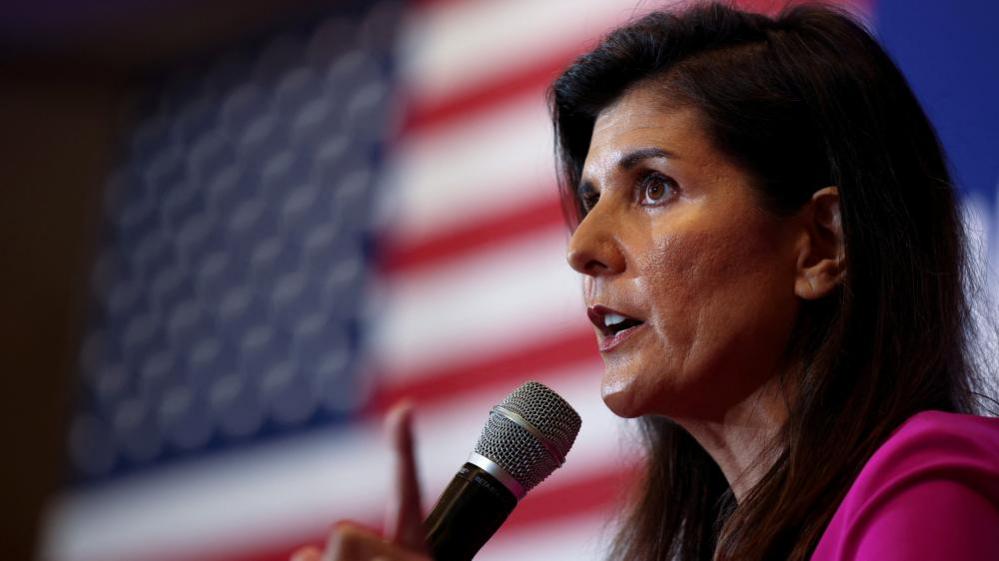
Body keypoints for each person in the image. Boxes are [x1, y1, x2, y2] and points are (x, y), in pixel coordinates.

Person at [292, 2, 999, 560]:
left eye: (654, 187)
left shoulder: (923, 488)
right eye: (591, 197)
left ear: (820, 244)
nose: (583, 246)